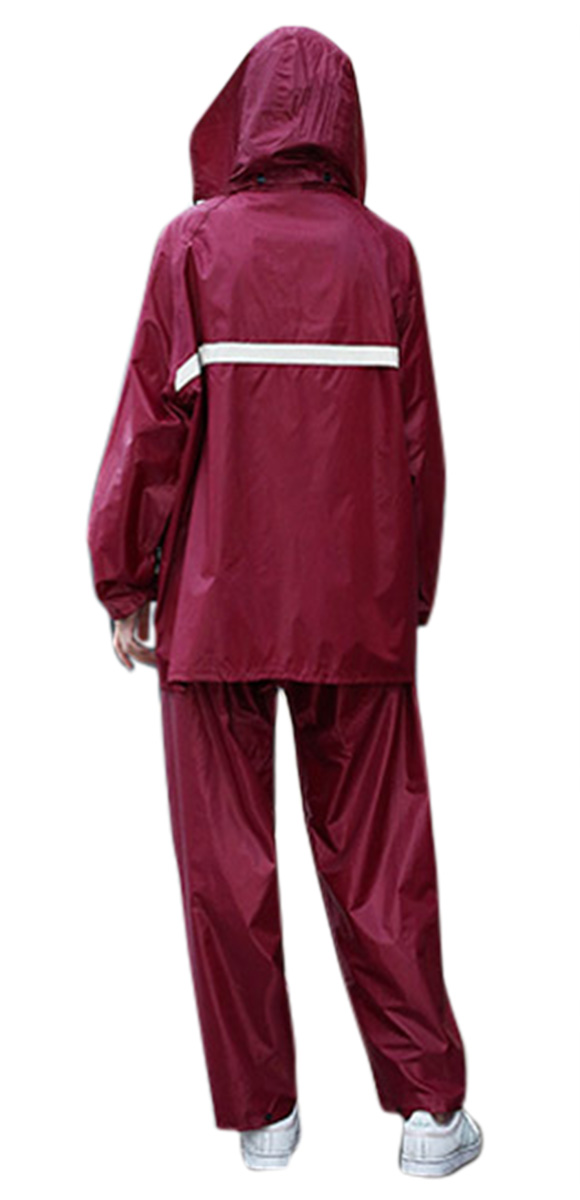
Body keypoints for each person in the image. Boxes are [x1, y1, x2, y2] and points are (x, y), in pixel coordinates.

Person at [87, 24, 483, 1178]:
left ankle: (264, 1122)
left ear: (247, 114)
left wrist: (124, 576)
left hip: (214, 608)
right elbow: (419, 445)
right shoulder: (385, 257)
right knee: (382, 860)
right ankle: (429, 1118)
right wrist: (409, 591)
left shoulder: (194, 248)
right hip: (355, 604)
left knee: (226, 866)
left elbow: (151, 427)